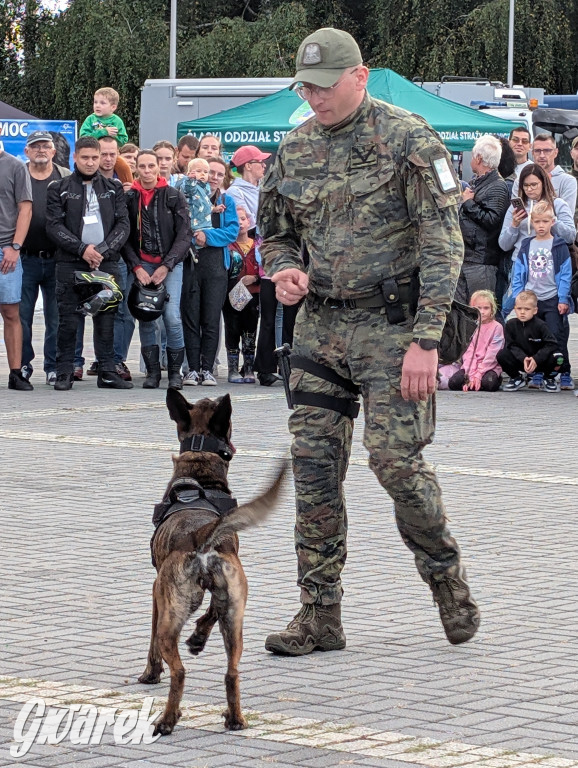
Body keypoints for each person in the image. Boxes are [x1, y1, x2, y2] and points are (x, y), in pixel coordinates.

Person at [259, 27, 480, 655]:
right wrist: (283, 269)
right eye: (305, 88)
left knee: (394, 462)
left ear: (359, 76)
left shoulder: (410, 138)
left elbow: (444, 243)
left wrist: (427, 340)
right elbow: (274, 232)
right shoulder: (294, 147)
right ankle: (319, 614)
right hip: (321, 327)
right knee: (313, 466)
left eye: (325, 87)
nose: (315, 98)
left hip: (394, 328)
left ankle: (447, 580)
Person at [45, 136, 132, 391]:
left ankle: (107, 372)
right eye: (85, 157)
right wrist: (83, 249)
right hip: (70, 262)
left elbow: (123, 224)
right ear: (75, 158)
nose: (91, 162)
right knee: (68, 320)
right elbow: (53, 226)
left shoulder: (114, 187)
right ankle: (64, 372)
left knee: (107, 319)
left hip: (106, 262)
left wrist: (101, 251)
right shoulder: (58, 187)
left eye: (95, 157)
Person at [123, 150, 192, 389]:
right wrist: (136, 266)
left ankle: (175, 373)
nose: (147, 171)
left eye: (151, 166)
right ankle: (152, 373)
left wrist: (166, 265)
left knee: (171, 317)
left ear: (159, 167)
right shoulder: (129, 198)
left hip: (169, 265)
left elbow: (184, 235)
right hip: (142, 264)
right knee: (146, 316)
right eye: (142, 166)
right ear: (136, 169)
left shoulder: (173, 196)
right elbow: (124, 236)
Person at [181, 157, 239, 386]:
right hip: (191, 263)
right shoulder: (186, 194)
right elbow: (180, 226)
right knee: (191, 318)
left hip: (216, 266)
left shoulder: (226, 201)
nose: (212, 177)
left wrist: (208, 236)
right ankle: (192, 369)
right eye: (209, 172)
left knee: (211, 319)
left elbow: (232, 232)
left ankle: (207, 369)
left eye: (218, 174)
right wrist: (194, 238)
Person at [20, 132, 71, 387]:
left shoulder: (65, 177)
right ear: (26, 151)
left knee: (56, 318)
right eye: (35, 146)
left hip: (57, 258)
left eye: (45, 146)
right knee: (22, 317)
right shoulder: (18, 175)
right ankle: (23, 365)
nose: (41, 150)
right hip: (24, 258)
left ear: (53, 151)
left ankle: (53, 366)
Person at [509, 201, 573, 391]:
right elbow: (518, 271)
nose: (541, 225)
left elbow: (566, 274)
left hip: (552, 298)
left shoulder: (559, 245)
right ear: (532, 222)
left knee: (555, 337)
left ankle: (561, 372)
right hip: (532, 300)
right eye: (537, 222)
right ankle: (537, 372)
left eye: (545, 221)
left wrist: (563, 298)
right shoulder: (527, 244)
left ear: (552, 222)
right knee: (533, 338)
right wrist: (518, 295)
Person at [457, 135, 510, 304]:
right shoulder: (478, 182)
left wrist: (468, 203)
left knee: (481, 311)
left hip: (481, 263)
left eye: (473, 156)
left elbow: (492, 220)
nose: (471, 160)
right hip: (468, 258)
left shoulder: (497, 186)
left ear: (479, 158)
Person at [0, 145, 33, 390]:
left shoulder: (15, 166)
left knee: (11, 312)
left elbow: (25, 209)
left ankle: (15, 373)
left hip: (5, 251)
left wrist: (15, 246)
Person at [223, 206, 262, 384]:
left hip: (253, 294)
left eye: (243, 219)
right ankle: (232, 369)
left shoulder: (257, 246)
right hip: (231, 295)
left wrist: (255, 278)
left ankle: (248, 368)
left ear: (249, 222)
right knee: (232, 330)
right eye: (235, 219)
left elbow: (265, 270)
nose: (240, 223)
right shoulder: (227, 246)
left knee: (250, 330)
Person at [497, 290, 562, 392]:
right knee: (501, 354)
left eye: (527, 309)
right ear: (514, 309)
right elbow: (511, 345)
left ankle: (549, 378)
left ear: (535, 310)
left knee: (558, 357)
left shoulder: (541, 325)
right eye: (519, 309)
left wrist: (536, 359)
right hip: (522, 361)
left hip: (540, 361)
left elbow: (552, 344)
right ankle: (516, 378)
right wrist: (523, 358)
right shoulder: (510, 324)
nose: (522, 312)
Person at [447, 290, 504, 392]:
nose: (482, 312)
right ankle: (474, 384)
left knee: (489, 383)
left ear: (492, 309)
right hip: (471, 366)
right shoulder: (470, 326)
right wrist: (471, 375)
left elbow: (492, 354)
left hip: (489, 367)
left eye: (486, 308)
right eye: (478, 308)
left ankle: (483, 382)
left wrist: (479, 374)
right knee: (454, 382)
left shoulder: (497, 327)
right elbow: (468, 352)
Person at [513, 133, 577, 213]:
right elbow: (516, 213)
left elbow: (566, 215)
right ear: (532, 153)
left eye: (547, 151)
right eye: (537, 151)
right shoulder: (520, 181)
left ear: (556, 152)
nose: (542, 155)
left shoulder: (567, 181)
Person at [227, 145, 271, 222]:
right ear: (248, 166)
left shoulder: (267, 187)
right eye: (260, 162)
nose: (264, 165)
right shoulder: (234, 192)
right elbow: (249, 223)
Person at [175, 158, 213, 230]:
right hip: (194, 224)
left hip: (205, 223)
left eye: (205, 172)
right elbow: (190, 190)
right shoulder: (189, 184)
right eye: (198, 171)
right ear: (189, 174)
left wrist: (214, 208)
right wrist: (190, 180)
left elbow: (206, 203)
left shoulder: (205, 187)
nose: (202, 174)